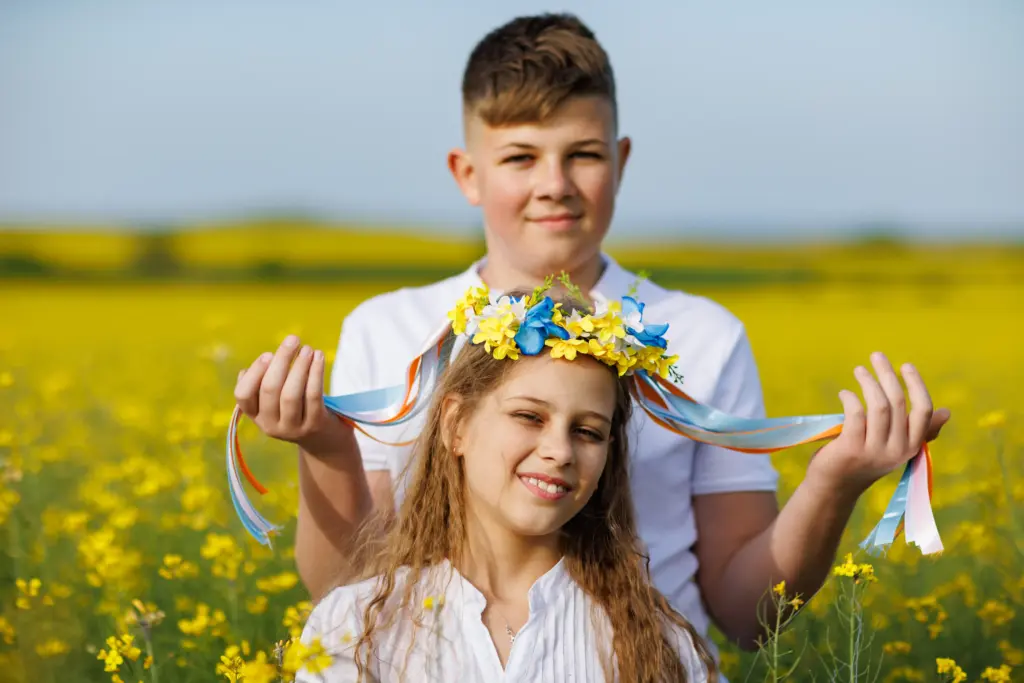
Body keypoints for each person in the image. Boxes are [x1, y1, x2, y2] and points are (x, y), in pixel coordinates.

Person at [233, 12, 950, 658]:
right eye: (520, 157)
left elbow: (744, 618)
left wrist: (833, 482)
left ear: (622, 159)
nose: (555, 183)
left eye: (583, 154)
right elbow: (351, 591)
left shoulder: (704, 337)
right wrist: (322, 448)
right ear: (467, 172)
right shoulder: (388, 328)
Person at [293, 284, 716, 682]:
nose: (560, 451)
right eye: (529, 417)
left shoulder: (657, 644)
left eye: (587, 432)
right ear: (456, 424)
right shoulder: (354, 628)